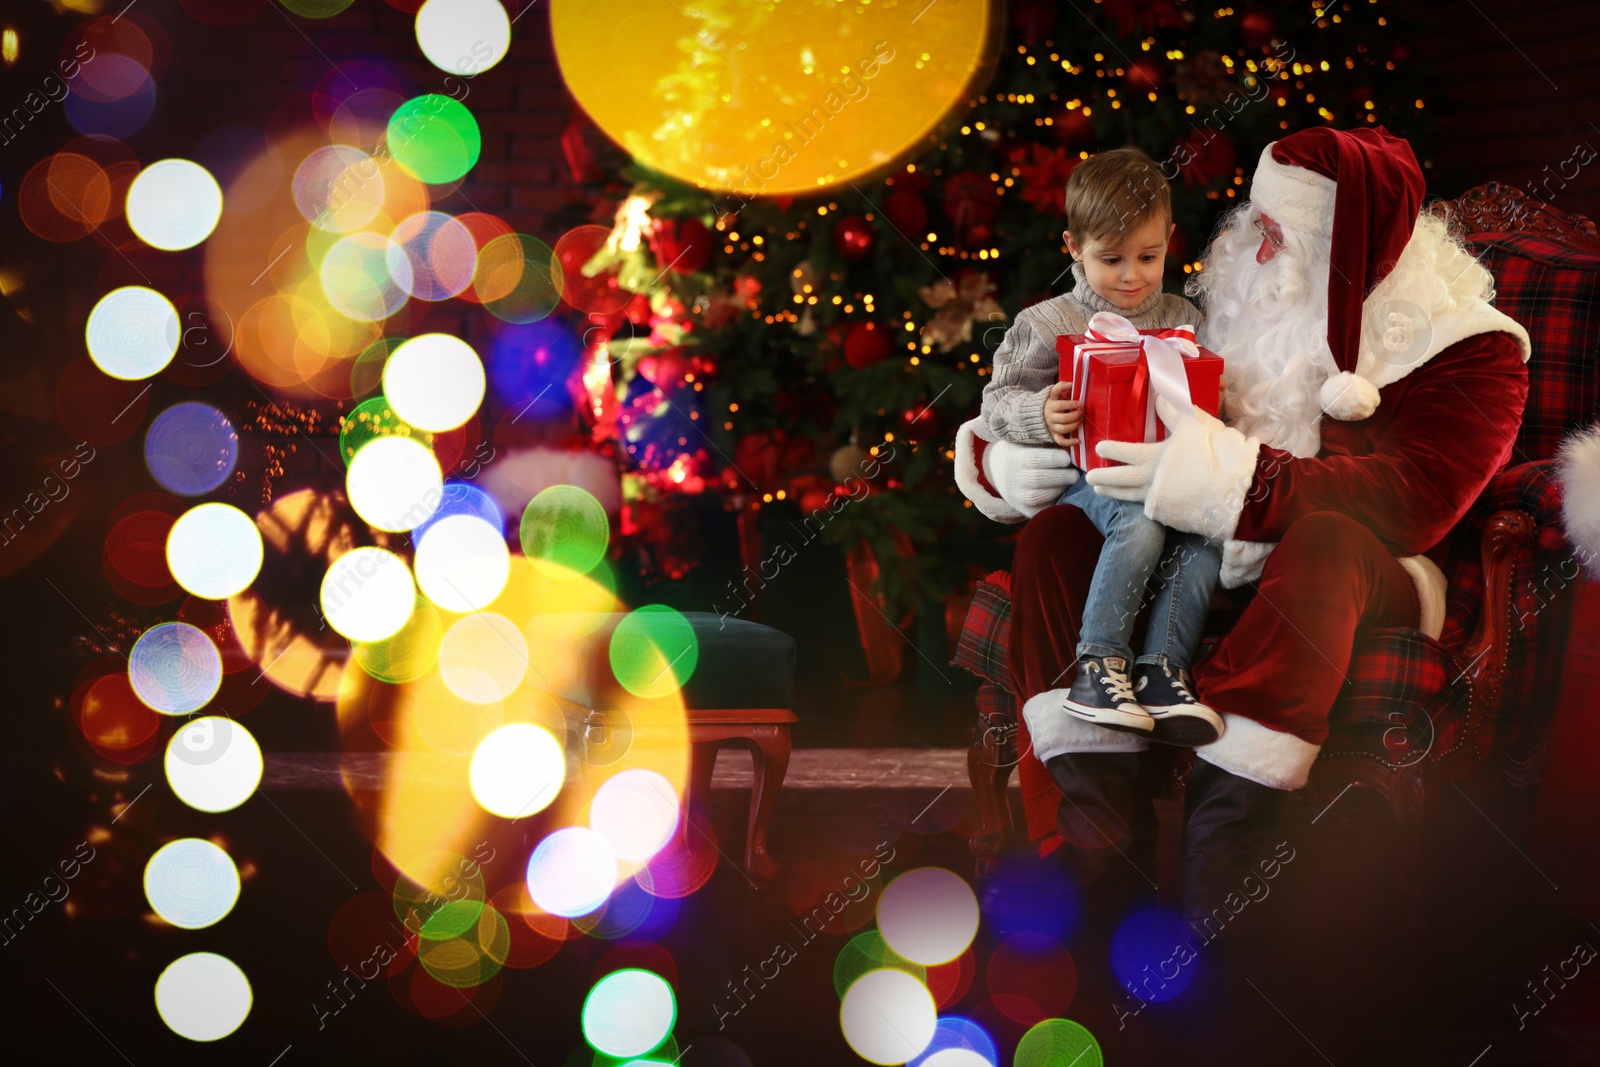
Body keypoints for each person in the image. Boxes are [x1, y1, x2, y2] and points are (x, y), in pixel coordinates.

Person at [956, 126, 1532, 927]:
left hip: (1358, 575)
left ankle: (1222, 873)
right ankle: (1091, 855)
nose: (1250, 246)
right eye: (1253, 223)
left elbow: (1416, 496)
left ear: (1342, 242)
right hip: (1201, 553)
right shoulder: (1222, 305)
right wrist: (1004, 462)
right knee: (1053, 539)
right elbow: (1092, 406)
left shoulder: (1466, 345)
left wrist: (1222, 481)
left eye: (1275, 232)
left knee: (1324, 539)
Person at [957, 146, 1225, 748]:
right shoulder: (1047, 321)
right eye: (1111, 259)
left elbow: (1207, 403)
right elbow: (995, 403)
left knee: (1203, 534)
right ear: (1074, 247)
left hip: (1166, 471)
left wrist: (1215, 393)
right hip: (1092, 478)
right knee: (1139, 525)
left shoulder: (1184, 315)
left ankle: (1161, 670)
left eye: (1148, 257)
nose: (1131, 276)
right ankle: (1099, 667)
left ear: (1170, 241)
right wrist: (1040, 413)